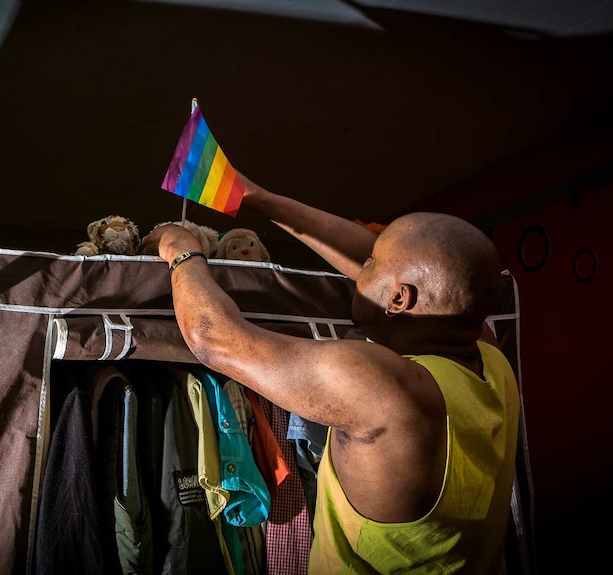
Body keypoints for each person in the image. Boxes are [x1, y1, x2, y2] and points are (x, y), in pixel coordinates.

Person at [142, 173, 520, 574]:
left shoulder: (387, 389)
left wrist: (180, 249)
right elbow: (412, 273)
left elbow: (212, 338)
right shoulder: (489, 355)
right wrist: (258, 198)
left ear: (399, 299)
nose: (362, 263)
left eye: (373, 262)